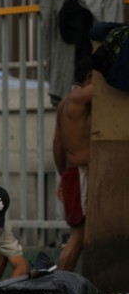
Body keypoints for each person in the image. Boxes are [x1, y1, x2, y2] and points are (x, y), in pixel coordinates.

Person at [53, 70, 93, 272]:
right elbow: (105, 87)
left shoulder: (63, 104)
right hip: (81, 172)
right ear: (89, 75)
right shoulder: (80, 97)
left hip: (72, 173)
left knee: (82, 237)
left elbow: (57, 144)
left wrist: (63, 176)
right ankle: (58, 288)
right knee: (78, 238)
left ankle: (61, 288)